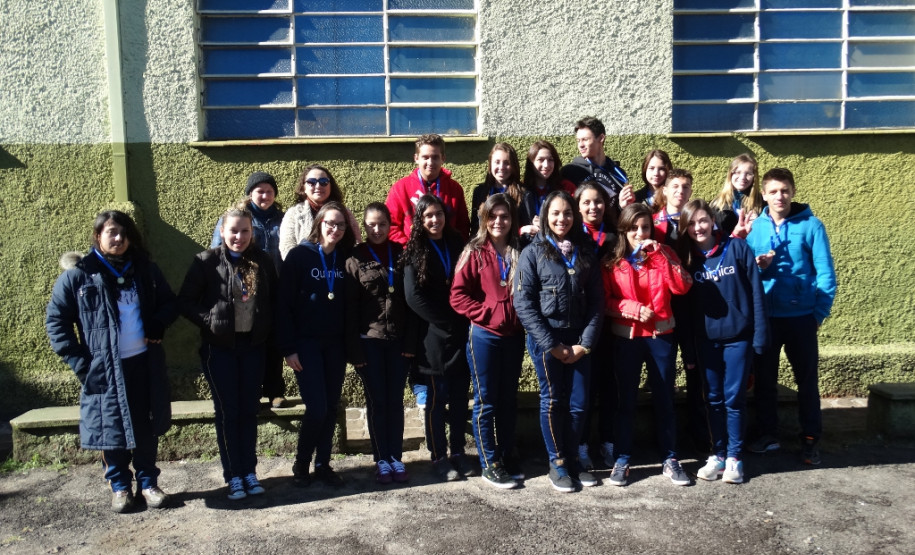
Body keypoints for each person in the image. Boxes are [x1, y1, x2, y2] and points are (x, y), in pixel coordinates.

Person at [47, 211, 178, 513]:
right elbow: (57, 323)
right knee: (111, 429)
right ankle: (120, 487)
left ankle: (148, 483)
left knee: (145, 428)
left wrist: (158, 322)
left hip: (144, 364)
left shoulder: (145, 270)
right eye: (111, 232)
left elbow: (170, 303)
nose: (118, 238)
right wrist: (83, 365)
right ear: (98, 236)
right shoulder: (79, 276)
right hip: (105, 369)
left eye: (123, 233)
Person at [178, 202, 277, 500]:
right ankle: (233, 475)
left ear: (252, 233)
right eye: (233, 231)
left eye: (245, 231)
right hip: (219, 349)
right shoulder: (205, 262)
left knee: (249, 411)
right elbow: (184, 302)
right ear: (222, 231)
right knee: (228, 412)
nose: (239, 236)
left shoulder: (262, 260)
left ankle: (250, 472)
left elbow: (272, 300)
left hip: (253, 348)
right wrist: (210, 321)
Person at [513, 190, 604, 493]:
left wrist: (584, 344)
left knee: (578, 404)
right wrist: (551, 344)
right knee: (553, 401)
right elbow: (524, 304)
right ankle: (558, 462)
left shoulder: (585, 251)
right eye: (555, 213)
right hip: (547, 341)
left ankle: (576, 458)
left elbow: (596, 304)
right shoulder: (532, 253)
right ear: (544, 217)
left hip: (579, 341)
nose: (561, 219)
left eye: (567, 213)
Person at [745, 168, 837, 465]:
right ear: (764, 195)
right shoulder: (755, 227)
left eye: (784, 190)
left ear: (793, 191)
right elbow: (746, 273)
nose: (779, 196)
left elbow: (825, 274)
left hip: (801, 317)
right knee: (765, 382)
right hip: (768, 318)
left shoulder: (812, 225)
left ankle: (810, 439)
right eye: (772, 191)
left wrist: (817, 314)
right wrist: (758, 266)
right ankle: (768, 435)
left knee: (806, 381)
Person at [678, 199, 768, 484]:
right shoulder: (688, 259)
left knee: (734, 400)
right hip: (707, 341)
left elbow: (756, 294)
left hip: (738, 339)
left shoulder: (737, 248)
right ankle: (717, 455)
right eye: (691, 223)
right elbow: (686, 312)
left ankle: (735, 458)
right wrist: (689, 350)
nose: (698, 227)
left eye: (703, 220)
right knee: (713, 399)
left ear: (713, 221)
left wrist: (759, 337)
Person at [603, 203, 693, 487]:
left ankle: (670, 457)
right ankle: (622, 457)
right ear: (624, 231)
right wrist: (631, 309)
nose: (640, 233)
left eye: (645, 227)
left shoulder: (665, 253)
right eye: (633, 228)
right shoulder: (612, 260)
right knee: (625, 401)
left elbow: (682, 286)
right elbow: (605, 301)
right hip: (627, 339)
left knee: (665, 399)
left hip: (661, 338)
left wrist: (660, 257)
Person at [276, 201, 356, 487]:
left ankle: (323, 464)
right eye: (329, 223)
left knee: (331, 405)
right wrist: (288, 348)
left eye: (341, 225)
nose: (335, 229)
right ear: (319, 224)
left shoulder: (345, 259)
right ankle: (301, 463)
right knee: (317, 407)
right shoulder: (300, 256)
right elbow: (283, 305)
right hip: (305, 344)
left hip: (334, 344)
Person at [451, 194, 525, 489]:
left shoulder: (520, 250)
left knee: (509, 399)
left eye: (504, 216)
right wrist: (487, 313)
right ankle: (489, 461)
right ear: (484, 219)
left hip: (514, 336)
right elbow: (457, 295)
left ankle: (508, 452)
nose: (498, 222)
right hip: (484, 335)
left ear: (511, 219)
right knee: (486, 401)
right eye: (492, 216)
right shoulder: (475, 251)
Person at [402, 194, 472, 482]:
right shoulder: (414, 250)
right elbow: (412, 297)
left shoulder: (458, 244)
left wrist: (462, 318)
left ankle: (458, 451)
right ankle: (438, 455)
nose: (434, 220)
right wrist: (445, 319)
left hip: (460, 333)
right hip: (432, 336)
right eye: (428, 215)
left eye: (439, 214)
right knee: (434, 401)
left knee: (458, 399)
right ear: (420, 219)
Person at [345, 203, 414, 485]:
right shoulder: (355, 258)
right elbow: (348, 309)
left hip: (398, 342)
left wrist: (410, 341)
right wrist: (354, 349)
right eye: (371, 224)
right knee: (377, 401)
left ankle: (396, 456)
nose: (377, 229)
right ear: (364, 226)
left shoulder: (401, 255)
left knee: (395, 401)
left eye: (382, 224)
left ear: (389, 225)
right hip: (369, 341)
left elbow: (410, 304)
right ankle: (381, 459)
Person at [210, 171, 287, 409]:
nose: (264, 195)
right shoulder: (238, 218)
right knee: (250, 343)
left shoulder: (283, 219)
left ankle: (275, 391)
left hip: (274, 287)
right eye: (259, 191)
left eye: (269, 191)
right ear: (250, 193)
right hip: (242, 290)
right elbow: (217, 249)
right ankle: (251, 392)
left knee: (273, 340)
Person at [652, 169, 709, 452]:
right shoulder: (652, 225)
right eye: (675, 186)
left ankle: (699, 435)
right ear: (664, 190)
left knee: (694, 368)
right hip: (660, 308)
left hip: (690, 306)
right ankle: (662, 438)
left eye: (686, 187)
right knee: (662, 375)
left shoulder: (695, 223)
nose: (680, 192)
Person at [573, 182, 619, 471]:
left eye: (599, 202)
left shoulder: (616, 238)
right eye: (587, 202)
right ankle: (580, 445)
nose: (593, 207)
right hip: (581, 323)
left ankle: (609, 442)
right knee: (583, 390)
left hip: (611, 323)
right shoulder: (572, 238)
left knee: (609, 386)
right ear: (578, 207)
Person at [385, 133, 470, 245]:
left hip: (446, 255)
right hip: (413, 255)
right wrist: (409, 248)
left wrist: (454, 247)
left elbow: (462, 226)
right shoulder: (400, 188)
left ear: (443, 158)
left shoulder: (455, 189)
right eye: (425, 157)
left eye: (435, 157)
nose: (430, 163)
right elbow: (391, 226)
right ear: (416, 158)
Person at [560, 117, 632, 228]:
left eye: (585, 139)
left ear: (601, 138)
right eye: (578, 140)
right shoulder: (570, 172)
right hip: (583, 237)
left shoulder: (619, 174)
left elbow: (621, 213)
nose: (580, 145)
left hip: (611, 236)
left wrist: (622, 206)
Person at [278, 164, 359, 260]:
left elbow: (356, 244)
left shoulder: (345, 213)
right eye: (311, 182)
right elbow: (287, 247)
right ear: (304, 187)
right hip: (305, 271)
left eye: (323, 182)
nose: (318, 186)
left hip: (338, 271)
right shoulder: (294, 214)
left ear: (330, 185)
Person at [519, 140, 576, 245]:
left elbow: (576, 218)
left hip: (561, 245)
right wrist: (522, 230)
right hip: (529, 247)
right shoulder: (520, 190)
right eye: (540, 160)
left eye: (550, 160)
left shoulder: (566, 187)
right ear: (531, 163)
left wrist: (545, 223)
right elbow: (510, 223)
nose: (546, 165)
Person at [469, 143, 528, 237]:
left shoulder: (524, 193)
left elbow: (525, 226)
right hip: (485, 248)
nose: (501, 167)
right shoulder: (480, 192)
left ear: (513, 166)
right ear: (490, 164)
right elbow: (475, 228)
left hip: (513, 247)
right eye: (497, 162)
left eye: (507, 163)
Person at [710, 153, 764, 220]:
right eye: (738, 172)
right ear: (730, 175)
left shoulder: (762, 202)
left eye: (749, 173)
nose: (742, 177)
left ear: (754, 177)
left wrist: (758, 222)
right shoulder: (717, 203)